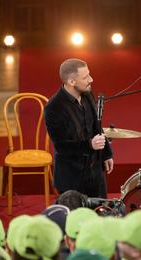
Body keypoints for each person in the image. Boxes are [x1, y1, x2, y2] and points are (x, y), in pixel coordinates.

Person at [44, 58, 114, 198]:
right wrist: (90, 144)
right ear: (71, 82)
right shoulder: (54, 108)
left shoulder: (87, 94)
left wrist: (106, 153)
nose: (91, 79)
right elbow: (61, 146)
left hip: (95, 171)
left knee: (102, 213)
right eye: (86, 77)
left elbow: (96, 126)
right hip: (72, 176)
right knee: (76, 219)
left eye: (89, 74)